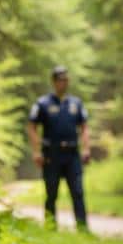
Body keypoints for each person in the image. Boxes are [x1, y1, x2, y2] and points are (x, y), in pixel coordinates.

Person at [26, 66, 91, 232]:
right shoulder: (43, 103)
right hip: (52, 154)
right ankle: (50, 226)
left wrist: (86, 148)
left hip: (72, 153)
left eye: (66, 80)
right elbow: (32, 127)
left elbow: (84, 127)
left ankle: (83, 228)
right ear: (54, 82)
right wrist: (36, 151)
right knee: (52, 192)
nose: (64, 83)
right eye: (61, 80)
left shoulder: (76, 103)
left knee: (77, 191)